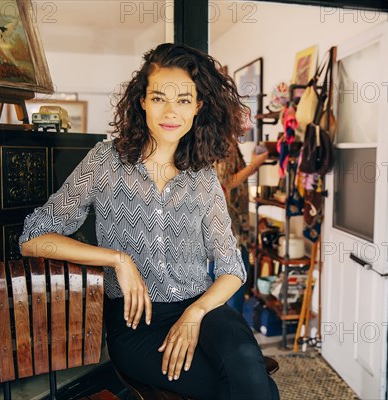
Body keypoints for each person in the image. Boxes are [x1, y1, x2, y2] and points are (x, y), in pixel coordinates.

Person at [19, 43, 279, 400]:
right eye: (159, 97)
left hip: (203, 311)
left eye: (184, 100)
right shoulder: (105, 162)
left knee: (245, 360)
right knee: (251, 388)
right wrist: (117, 259)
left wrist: (195, 313)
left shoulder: (202, 177)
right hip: (136, 325)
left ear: (198, 107)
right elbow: (33, 237)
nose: (171, 111)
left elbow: (233, 267)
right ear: (142, 100)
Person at [212, 144, 268, 313]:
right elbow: (226, 181)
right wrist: (254, 165)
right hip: (232, 230)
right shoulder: (225, 143)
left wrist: (250, 166)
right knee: (233, 288)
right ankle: (231, 335)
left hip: (225, 227)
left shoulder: (222, 141)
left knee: (219, 289)